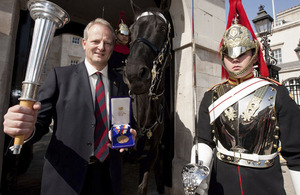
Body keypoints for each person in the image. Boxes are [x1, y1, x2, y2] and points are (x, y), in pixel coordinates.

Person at [3, 18, 136, 195]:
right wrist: (25, 129)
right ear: (84, 43)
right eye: (96, 41)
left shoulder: (121, 84)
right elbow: (40, 124)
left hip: (107, 178)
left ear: (112, 47)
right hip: (66, 177)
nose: (101, 47)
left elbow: (128, 123)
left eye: (107, 43)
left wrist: (130, 135)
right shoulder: (59, 77)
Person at [190, 0, 300, 194]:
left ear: (254, 54)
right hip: (222, 184)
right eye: (229, 53)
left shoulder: (277, 93)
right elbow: (205, 141)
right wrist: (199, 172)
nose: (235, 59)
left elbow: (296, 153)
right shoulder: (211, 96)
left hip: (265, 185)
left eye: (242, 52)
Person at [108, 11, 130, 79]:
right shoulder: (109, 49)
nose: (124, 37)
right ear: (116, 34)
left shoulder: (131, 51)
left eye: (126, 35)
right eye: (122, 34)